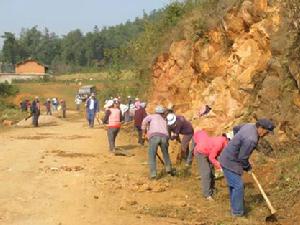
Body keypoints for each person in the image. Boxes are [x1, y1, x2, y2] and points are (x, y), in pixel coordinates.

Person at [219, 118, 275, 217]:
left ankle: (234, 209)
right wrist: (248, 168)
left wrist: (237, 143)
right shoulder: (251, 139)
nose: (267, 134)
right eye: (267, 132)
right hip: (230, 161)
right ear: (261, 128)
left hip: (227, 157)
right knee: (238, 186)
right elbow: (242, 158)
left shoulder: (250, 125)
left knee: (234, 185)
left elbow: (236, 128)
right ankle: (237, 214)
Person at [193, 130, 228, 200]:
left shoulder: (224, 141)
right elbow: (211, 158)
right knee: (206, 172)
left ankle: (212, 189)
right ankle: (207, 194)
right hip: (200, 152)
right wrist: (220, 167)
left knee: (212, 171)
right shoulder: (220, 144)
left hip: (208, 151)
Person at [142, 105, 172, 179]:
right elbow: (168, 130)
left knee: (152, 156)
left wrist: (143, 133)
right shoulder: (164, 119)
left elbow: (144, 122)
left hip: (154, 136)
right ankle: (169, 169)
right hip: (164, 137)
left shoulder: (151, 116)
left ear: (155, 111)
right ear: (162, 112)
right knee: (165, 154)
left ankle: (153, 174)